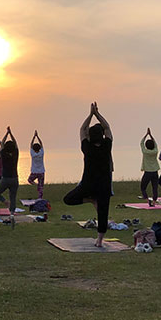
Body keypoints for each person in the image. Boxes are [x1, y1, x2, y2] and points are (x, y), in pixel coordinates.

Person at [63, 102, 113, 247]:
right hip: (103, 185)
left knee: (68, 199)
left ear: (90, 137)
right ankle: (99, 240)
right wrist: (97, 114)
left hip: (88, 184)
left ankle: (90, 200)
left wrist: (90, 114)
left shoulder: (87, 147)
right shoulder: (107, 146)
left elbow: (82, 129)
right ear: (102, 136)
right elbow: (107, 127)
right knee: (103, 213)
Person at [0, 127, 20, 220]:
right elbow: (15, 144)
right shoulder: (15, 154)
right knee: (13, 197)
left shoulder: (3, 154)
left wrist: (6, 134)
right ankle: (12, 213)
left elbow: (2, 144)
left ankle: (5, 201)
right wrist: (10, 133)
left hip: (5, 179)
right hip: (15, 179)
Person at [140, 128, 159, 206]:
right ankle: (154, 202)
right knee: (155, 188)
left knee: (143, 187)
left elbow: (141, 143)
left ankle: (147, 200)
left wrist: (146, 135)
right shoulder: (155, 151)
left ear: (146, 146)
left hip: (147, 172)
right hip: (155, 172)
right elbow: (155, 143)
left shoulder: (145, 151)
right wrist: (150, 135)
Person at [27, 130, 45, 199]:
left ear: (33, 149)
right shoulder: (41, 153)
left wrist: (34, 137)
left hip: (34, 171)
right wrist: (38, 136)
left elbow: (31, 145)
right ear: (40, 148)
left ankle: (37, 185)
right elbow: (41, 144)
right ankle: (40, 197)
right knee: (41, 186)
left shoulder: (33, 154)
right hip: (41, 171)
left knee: (30, 180)